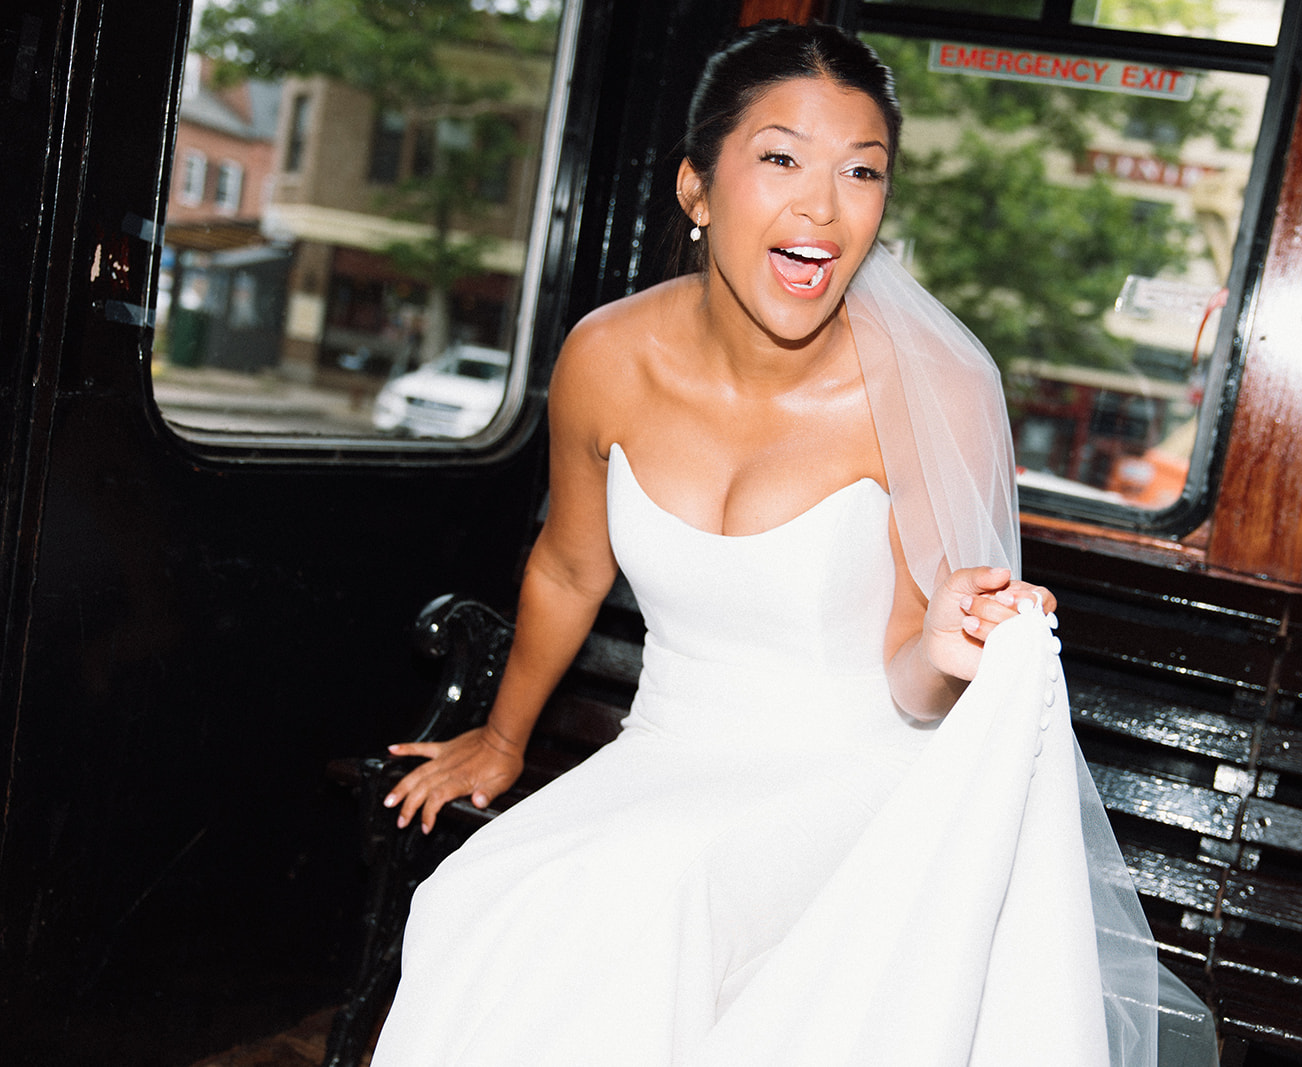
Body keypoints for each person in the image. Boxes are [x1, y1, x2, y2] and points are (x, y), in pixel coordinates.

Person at [371, 22, 1216, 1066]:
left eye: (861, 172)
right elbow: (568, 564)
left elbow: (913, 681)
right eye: (779, 158)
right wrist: (501, 738)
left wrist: (953, 647)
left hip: (858, 771)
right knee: (473, 897)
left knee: (642, 896)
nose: (821, 206)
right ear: (696, 188)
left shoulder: (934, 387)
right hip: (668, 752)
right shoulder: (605, 355)